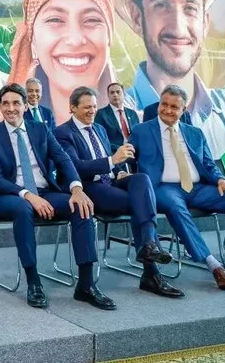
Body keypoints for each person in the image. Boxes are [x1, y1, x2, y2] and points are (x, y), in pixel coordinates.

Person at [109, 0, 225, 160]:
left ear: (205, 22)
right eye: (161, 5)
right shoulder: (120, 114)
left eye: (190, 8)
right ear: (137, 18)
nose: (178, 27)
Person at [0, 83, 115, 310]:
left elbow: (63, 159)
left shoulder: (40, 130)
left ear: (25, 106)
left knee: (80, 206)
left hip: (44, 191)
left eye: (16, 103)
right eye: (5, 103)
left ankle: (86, 285)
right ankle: (33, 281)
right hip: (8, 194)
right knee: (23, 208)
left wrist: (76, 189)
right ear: (0, 106)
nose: (10, 108)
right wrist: (28, 195)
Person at [129, 84, 225, 290]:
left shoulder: (195, 133)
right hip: (163, 187)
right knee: (176, 207)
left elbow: (208, 164)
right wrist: (122, 171)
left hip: (198, 187)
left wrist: (221, 180)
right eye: (164, 104)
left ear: (183, 109)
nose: (167, 110)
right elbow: (126, 157)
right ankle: (213, 265)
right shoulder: (141, 130)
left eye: (174, 107)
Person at [54, 87, 183, 298]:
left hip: (111, 181)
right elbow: (75, 167)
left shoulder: (99, 129)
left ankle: (148, 244)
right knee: (139, 203)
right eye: (86, 107)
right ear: (72, 108)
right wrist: (112, 161)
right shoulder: (62, 133)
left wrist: (120, 170)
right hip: (87, 186)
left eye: (94, 106)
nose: (92, 111)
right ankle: (151, 270)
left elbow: (113, 161)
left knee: (141, 179)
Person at [3, 0, 116, 126]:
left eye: (92, 20)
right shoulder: (8, 131)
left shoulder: (135, 122)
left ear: (108, 37)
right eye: (55, 20)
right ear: (33, 40)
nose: (75, 40)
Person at [94, 82, 140, 153]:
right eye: (112, 93)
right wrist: (120, 149)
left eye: (118, 92)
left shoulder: (132, 113)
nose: (115, 95)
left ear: (123, 94)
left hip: (134, 150)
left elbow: (138, 133)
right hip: (115, 152)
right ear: (108, 96)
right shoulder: (101, 114)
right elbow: (100, 138)